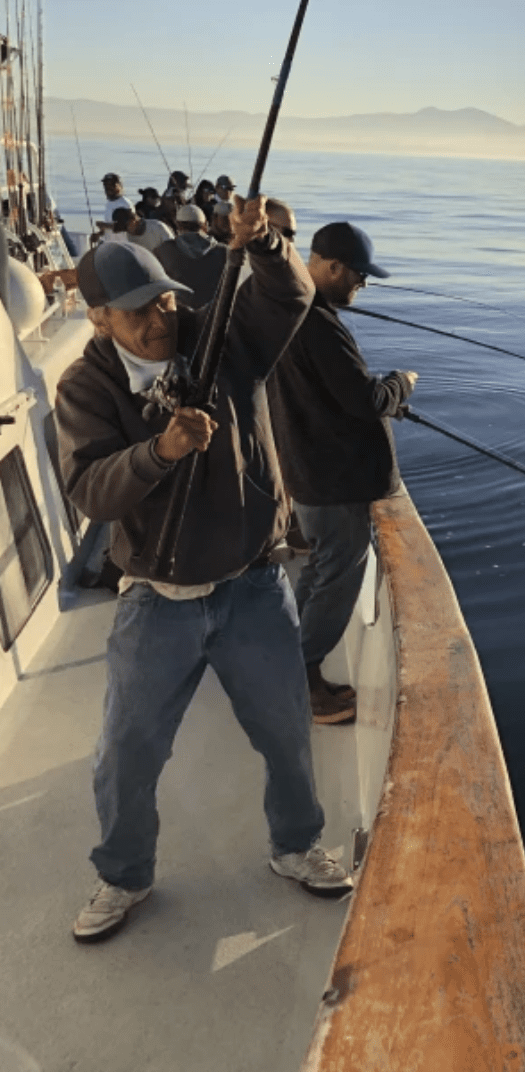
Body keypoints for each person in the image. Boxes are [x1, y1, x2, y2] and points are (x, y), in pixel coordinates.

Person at [55, 197, 352, 945]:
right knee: (126, 752)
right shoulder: (85, 388)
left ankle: (295, 846)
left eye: (163, 299)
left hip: (251, 583)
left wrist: (267, 243)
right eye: (135, 311)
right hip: (156, 597)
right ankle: (124, 875)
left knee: (286, 733)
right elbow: (90, 487)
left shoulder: (220, 337)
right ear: (97, 318)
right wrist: (160, 452)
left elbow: (289, 294)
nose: (158, 318)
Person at [267, 222, 415, 724]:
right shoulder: (319, 323)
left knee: (321, 569)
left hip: (309, 474)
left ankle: (286, 663)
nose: (362, 285)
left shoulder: (293, 311)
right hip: (331, 481)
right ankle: (304, 685)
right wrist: (400, 383)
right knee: (338, 573)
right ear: (331, 267)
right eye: (358, 275)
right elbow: (365, 399)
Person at [153, 204, 227, 309]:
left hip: (178, 315)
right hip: (214, 314)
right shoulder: (224, 251)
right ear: (205, 225)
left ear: (178, 225)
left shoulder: (162, 250)